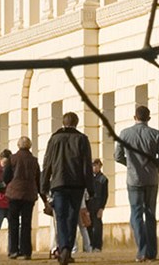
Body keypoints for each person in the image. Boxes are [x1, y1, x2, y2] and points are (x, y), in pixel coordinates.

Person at [115, 105, 159, 261]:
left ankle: (142, 250)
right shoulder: (156, 134)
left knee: (136, 215)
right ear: (149, 118)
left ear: (134, 117)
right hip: (151, 179)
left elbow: (118, 156)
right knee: (150, 214)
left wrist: (130, 164)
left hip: (133, 179)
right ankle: (152, 252)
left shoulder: (125, 134)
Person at [43, 112, 94, 265]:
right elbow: (87, 165)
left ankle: (64, 247)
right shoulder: (82, 139)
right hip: (77, 184)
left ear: (63, 123)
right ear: (76, 123)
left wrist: (44, 184)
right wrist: (90, 187)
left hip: (58, 183)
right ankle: (67, 249)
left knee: (61, 217)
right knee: (72, 217)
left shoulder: (54, 139)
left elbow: (47, 163)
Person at [5, 137, 42, 259]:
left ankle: (13, 250)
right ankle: (26, 251)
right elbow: (38, 180)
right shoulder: (34, 160)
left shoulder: (12, 159)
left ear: (18, 145)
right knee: (26, 223)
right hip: (29, 194)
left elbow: (6, 176)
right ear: (30, 146)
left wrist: (10, 185)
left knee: (13, 223)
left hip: (14, 194)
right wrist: (43, 195)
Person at [82, 159, 109, 253]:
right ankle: (89, 245)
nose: (94, 167)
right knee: (88, 225)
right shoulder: (88, 179)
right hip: (89, 205)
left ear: (99, 166)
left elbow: (105, 195)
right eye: (93, 165)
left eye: (96, 165)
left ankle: (97, 246)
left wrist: (102, 208)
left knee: (97, 227)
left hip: (97, 205)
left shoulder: (103, 179)